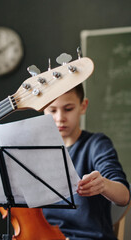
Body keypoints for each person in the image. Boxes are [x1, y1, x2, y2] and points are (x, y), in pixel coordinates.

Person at [42, 84, 130, 240]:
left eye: (68, 109)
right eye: (52, 110)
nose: (60, 117)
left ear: (83, 106)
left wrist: (103, 184)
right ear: (43, 109)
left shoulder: (97, 144)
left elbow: (124, 196)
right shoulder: (37, 151)